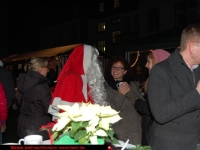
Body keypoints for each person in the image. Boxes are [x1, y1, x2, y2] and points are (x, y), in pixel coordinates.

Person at [147, 23, 200, 150]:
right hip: (172, 145)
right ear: (192, 47)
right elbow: (161, 113)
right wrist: (197, 93)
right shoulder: (161, 70)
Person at [48, 45, 108, 118]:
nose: (96, 62)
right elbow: (67, 111)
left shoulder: (88, 79)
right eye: (92, 58)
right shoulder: (71, 77)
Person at [104, 55, 144, 145]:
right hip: (120, 134)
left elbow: (141, 105)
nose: (115, 70)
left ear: (125, 71)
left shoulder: (132, 84)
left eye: (119, 68)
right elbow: (108, 112)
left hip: (136, 131)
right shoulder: (105, 88)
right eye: (113, 67)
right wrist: (120, 94)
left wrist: (130, 92)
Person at [135, 49, 170, 146]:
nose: (146, 65)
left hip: (154, 132)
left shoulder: (159, 82)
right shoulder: (158, 80)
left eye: (149, 62)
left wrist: (137, 103)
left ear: (157, 63)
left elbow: (153, 109)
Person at [17, 57, 52, 140]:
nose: (48, 70)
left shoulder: (23, 82)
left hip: (22, 122)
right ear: (40, 68)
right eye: (46, 67)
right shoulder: (41, 86)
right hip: (38, 126)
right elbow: (49, 108)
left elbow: (19, 100)